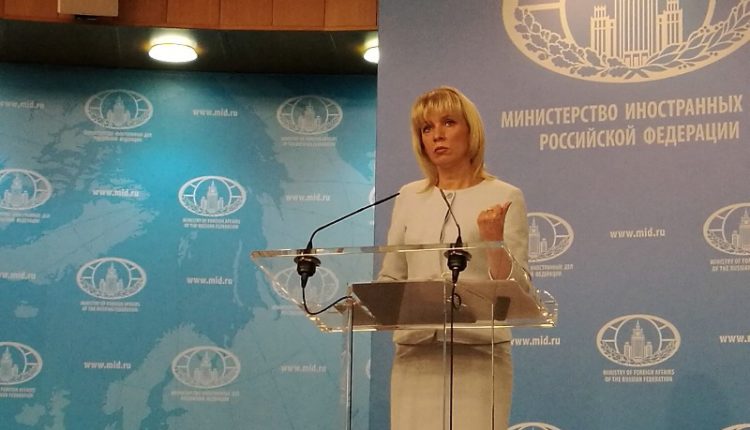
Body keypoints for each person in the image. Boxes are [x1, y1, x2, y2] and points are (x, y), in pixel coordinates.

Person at [378, 86, 529, 429]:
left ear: (470, 130)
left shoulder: (504, 196)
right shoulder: (408, 197)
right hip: (416, 353)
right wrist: (366, 304)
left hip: (478, 354)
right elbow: (392, 277)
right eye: (426, 128)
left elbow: (516, 290)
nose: (437, 135)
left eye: (448, 122)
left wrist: (494, 241)